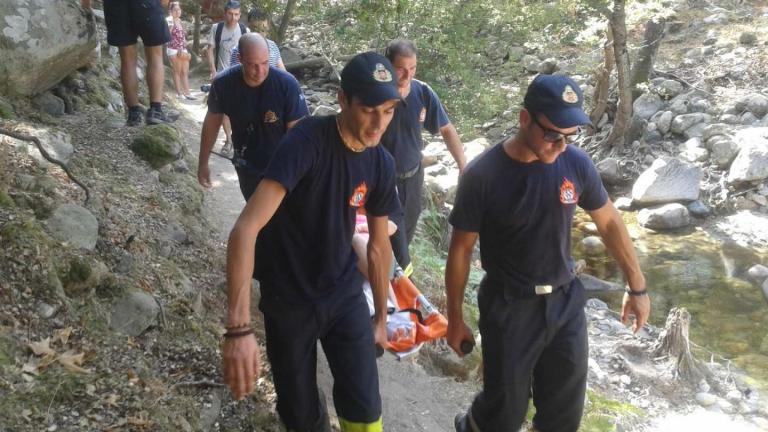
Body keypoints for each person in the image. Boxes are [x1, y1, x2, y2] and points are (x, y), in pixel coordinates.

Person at [445, 74, 651, 432]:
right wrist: (454, 317)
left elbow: (609, 222)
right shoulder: (483, 175)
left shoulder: (575, 163)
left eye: (571, 136)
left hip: (565, 301)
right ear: (525, 119)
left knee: (563, 417)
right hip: (509, 305)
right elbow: (461, 250)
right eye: (553, 135)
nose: (562, 145)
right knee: (504, 415)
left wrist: (637, 286)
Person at [221, 52, 402, 431]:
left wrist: (381, 319)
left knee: (366, 407)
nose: (379, 123)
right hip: (289, 298)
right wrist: (238, 329)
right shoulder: (306, 142)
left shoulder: (380, 163)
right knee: (300, 414)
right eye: (369, 110)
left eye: (388, 111)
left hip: (343, 292)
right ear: (343, 99)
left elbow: (378, 246)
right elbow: (245, 229)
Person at [381, 39, 467, 277]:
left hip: (412, 177)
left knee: (406, 234)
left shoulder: (422, 92)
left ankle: (396, 282)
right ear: (388, 66)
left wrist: (463, 166)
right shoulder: (376, 94)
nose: (407, 75)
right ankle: (390, 284)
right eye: (400, 69)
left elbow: (447, 129)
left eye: (413, 68)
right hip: (382, 181)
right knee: (387, 238)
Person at [197, 33, 308, 200]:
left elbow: (299, 135)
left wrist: (301, 174)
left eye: (265, 63)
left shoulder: (287, 85)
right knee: (254, 211)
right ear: (240, 59)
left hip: (282, 168)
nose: (260, 71)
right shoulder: (223, 84)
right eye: (253, 65)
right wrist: (203, 162)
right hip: (247, 166)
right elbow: (212, 123)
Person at [95, 0, 176, 126]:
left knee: (127, 60)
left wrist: (86, 4)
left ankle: (134, 115)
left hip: (115, 5)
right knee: (155, 56)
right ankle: (156, 111)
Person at [207, 0, 248, 154]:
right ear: (224, 13)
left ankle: (238, 141)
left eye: (236, 14)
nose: (233, 18)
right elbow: (210, 49)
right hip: (222, 76)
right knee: (224, 110)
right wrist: (213, 70)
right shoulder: (216, 29)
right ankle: (229, 141)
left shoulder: (244, 30)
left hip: (240, 77)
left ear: (240, 15)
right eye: (230, 14)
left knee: (240, 111)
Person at [166, 2, 195, 100]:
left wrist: (184, 44)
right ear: (170, 11)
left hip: (182, 49)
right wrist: (170, 24)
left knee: (184, 72)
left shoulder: (179, 20)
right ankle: (179, 93)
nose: (177, 11)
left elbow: (182, 36)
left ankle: (187, 93)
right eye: (175, 10)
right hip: (173, 49)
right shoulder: (169, 20)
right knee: (177, 71)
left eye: (179, 9)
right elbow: (167, 35)